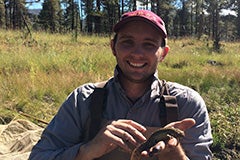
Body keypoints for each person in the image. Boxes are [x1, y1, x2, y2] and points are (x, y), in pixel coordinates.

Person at [29, 10, 213, 160]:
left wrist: (175, 155)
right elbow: (39, 156)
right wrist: (87, 151)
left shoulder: (187, 104)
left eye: (149, 44)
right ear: (113, 47)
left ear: (163, 53)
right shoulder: (83, 100)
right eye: (127, 42)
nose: (137, 53)